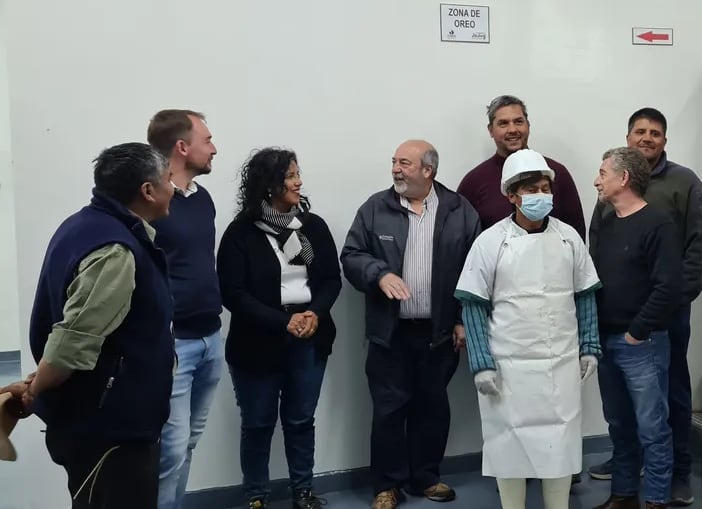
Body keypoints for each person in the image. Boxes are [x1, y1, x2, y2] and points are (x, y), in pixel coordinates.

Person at [0, 142, 175, 508]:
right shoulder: (115, 250)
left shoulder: (84, 224)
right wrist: (35, 390)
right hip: (110, 428)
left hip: (102, 418)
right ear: (147, 190)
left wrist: (36, 381)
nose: (173, 188)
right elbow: (73, 342)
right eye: (168, 180)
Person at [454, 149, 600, 509]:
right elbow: (473, 303)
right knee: (509, 445)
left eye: (545, 188)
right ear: (511, 195)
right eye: (531, 189)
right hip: (508, 368)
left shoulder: (569, 239)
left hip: (561, 365)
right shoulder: (490, 243)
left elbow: (585, 295)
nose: (541, 195)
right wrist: (481, 362)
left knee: (560, 443)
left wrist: (590, 346)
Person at [340, 140, 481, 509]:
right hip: (391, 332)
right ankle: (387, 486)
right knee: (388, 410)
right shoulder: (376, 208)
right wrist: (379, 274)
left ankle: (427, 477)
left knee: (432, 407)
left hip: (439, 332)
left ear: (428, 171)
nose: (395, 169)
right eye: (394, 162)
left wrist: (463, 320)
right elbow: (352, 255)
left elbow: (474, 272)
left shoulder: (459, 210)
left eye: (404, 163)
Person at [588, 108, 702, 506]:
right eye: (640, 131)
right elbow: (595, 271)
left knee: (656, 422)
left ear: (623, 178)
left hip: (646, 337)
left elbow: (671, 281)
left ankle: (658, 494)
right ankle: (623, 493)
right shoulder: (605, 215)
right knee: (619, 423)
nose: (596, 180)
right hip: (609, 336)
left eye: (602, 173)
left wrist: (641, 328)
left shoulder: (661, 218)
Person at [217, 148, 341, 509]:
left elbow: (331, 279)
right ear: (269, 185)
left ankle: (302, 490)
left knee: (301, 419)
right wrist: (284, 320)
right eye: (290, 176)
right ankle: (256, 495)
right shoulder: (241, 232)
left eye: (298, 174)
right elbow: (233, 294)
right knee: (257, 423)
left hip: (309, 336)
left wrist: (314, 313)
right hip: (257, 341)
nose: (298, 181)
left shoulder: (312, 227)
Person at [146, 109, 224, 509]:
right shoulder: (151, 198)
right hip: (173, 343)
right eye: (207, 140)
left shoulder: (202, 198)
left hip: (211, 336)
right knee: (169, 451)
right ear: (182, 147)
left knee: (188, 444)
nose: (214, 148)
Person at [457, 94, 586, 239]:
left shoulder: (555, 173)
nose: (512, 129)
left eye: (518, 121)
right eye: (503, 123)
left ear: (528, 125)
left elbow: (576, 230)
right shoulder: (474, 182)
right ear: (491, 130)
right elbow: (462, 239)